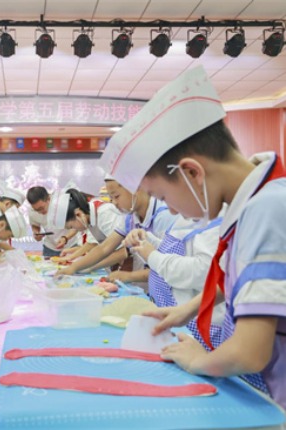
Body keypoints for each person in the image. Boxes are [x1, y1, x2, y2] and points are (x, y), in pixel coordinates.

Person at [100, 65, 286, 409]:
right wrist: (186, 310)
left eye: (164, 196)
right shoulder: (255, 202)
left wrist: (196, 358)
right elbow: (243, 280)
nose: (172, 210)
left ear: (191, 172)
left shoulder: (267, 208)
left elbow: (250, 351)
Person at [124, 215, 226, 350]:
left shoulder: (216, 223)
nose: (170, 210)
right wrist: (146, 240)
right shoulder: (185, 216)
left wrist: (153, 257)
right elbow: (175, 250)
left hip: (197, 324)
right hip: (178, 317)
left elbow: (205, 272)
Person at [55, 177, 176, 286]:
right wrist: (73, 268)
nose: (114, 203)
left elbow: (170, 268)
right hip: (148, 283)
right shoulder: (130, 216)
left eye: (116, 196)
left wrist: (129, 276)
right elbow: (104, 247)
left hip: (168, 290)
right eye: (111, 198)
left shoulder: (164, 215)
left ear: (135, 188)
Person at [50, 188, 121, 263]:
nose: (74, 229)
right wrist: (71, 258)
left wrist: (84, 266)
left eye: (71, 226)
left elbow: (121, 251)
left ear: (78, 214)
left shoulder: (104, 212)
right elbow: (91, 244)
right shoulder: (89, 218)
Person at [26, 186, 78, 258]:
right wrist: (36, 233)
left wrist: (65, 238)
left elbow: (76, 226)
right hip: (49, 248)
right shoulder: (32, 211)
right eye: (36, 210)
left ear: (49, 198)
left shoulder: (62, 203)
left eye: (41, 208)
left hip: (71, 245)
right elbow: (35, 224)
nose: (40, 212)